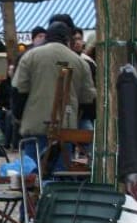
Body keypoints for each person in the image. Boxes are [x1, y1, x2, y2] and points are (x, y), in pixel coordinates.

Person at [13, 21, 96, 173]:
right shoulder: (79, 62)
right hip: (66, 127)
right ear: (68, 40)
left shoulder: (30, 56)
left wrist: (18, 117)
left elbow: (19, 91)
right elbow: (88, 99)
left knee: (35, 172)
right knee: (60, 174)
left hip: (35, 126)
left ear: (47, 38)